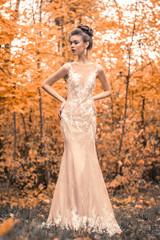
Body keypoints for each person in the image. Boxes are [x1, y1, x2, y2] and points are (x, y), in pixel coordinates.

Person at [40, 24, 122, 237]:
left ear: (86, 44)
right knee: (72, 161)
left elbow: (108, 91)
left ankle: (88, 213)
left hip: (87, 118)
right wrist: (63, 101)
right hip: (70, 117)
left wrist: (90, 100)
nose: (72, 46)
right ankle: (69, 214)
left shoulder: (98, 68)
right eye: (71, 43)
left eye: (76, 43)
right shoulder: (68, 67)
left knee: (86, 163)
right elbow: (46, 84)